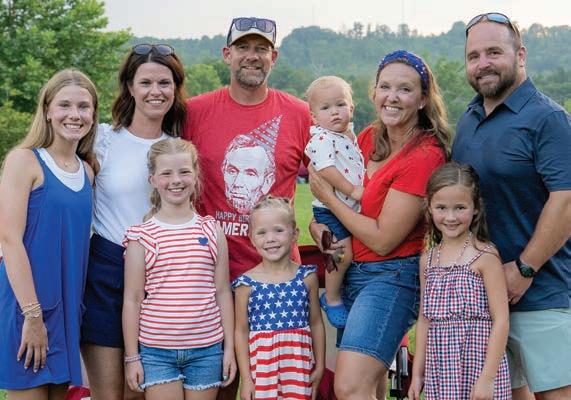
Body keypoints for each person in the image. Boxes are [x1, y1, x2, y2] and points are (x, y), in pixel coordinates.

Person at [309, 49, 451, 400]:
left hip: (391, 276)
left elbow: (384, 239)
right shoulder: (368, 138)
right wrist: (320, 229)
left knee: (349, 385)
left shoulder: (425, 155)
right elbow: (338, 203)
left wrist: (328, 199)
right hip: (353, 270)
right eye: (385, 87)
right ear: (373, 93)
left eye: (405, 89)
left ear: (422, 99)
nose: (392, 96)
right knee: (370, 387)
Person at [452, 12, 571, 400]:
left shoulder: (548, 119)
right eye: (473, 56)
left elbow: (566, 200)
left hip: (542, 295)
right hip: (484, 302)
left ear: (520, 55)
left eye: (494, 52)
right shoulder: (468, 119)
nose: (482, 63)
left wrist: (524, 268)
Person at [80, 43, 187, 400]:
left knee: (142, 391)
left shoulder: (179, 148)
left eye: (165, 83)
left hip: (162, 276)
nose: (156, 91)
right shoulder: (103, 140)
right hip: (108, 271)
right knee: (110, 393)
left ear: (175, 88)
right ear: (129, 86)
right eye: (146, 82)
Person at [183, 17, 312, 283]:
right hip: (209, 274)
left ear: (273, 57)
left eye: (261, 49)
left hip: (279, 277)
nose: (252, 56)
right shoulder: (194, 112)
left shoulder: (299, 113)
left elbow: (328, 178)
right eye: (242, 47)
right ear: (227, 54)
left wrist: (320, 223)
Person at [0, 69, 97, 399]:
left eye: (83, 106)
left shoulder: (87, 172)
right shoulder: (24, 161)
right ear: (47, 110)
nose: (75, 114)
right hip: (28, 309)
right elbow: (9, 241)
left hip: (67, 312)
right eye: (64, 105)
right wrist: (32, 316)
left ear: (93, 114)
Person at [122, 139, 236, 400]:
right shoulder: (142, 236)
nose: (176, 180)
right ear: (152, 179)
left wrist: (228, 348)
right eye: (166, 173)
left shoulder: (211, 230)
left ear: (195, 176)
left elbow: (222, 292)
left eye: (184, 171)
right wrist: (132, 357)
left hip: (207, 350)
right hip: (157, 352)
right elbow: (133, 299)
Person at [408, 162, 511, 400]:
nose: (451, 217)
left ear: (476, 208)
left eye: (460, 208)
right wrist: (418, 374)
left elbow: (501, 320)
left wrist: (487, 378)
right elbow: (424, 319)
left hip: (479, 367)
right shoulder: (428, 260)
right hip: (441, 370)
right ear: (429, 207)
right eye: (441, 208)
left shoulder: (485, 256)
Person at [233, 196, 325, 400]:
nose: (270, 239)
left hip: (298, 370)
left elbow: (316, 323)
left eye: (278, 230)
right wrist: (246, 378)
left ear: (294, 234)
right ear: (251, 238)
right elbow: (241, 331)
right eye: (262, 232)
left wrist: (320, 366)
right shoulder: (246, 284)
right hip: (262, 374)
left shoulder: (306, 277)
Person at [304, 76, 364, 329]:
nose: (335, 112)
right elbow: (326, 169)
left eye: (340, 105)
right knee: (340, 253)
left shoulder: (346, 136)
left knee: (349, 252)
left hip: (348, 207)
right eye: (326, 108)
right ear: (314, 117)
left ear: (351, 108)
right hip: (330, 210)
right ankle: (331, 298)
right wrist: (352, 190)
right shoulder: (321, 139)